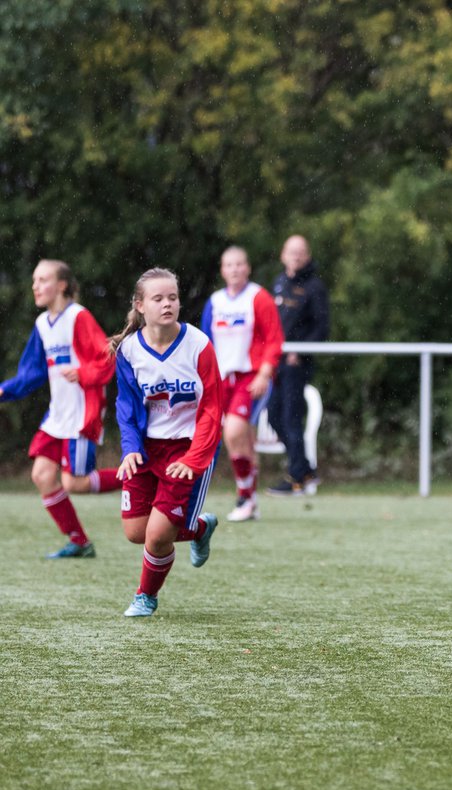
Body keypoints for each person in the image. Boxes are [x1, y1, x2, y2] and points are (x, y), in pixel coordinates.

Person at [110, 268, 224, 617]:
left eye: (172, 297)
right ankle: (200, 527)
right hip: (147, 449)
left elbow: (212, 409)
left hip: (186, 449)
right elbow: (126, 408)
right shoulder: (129, 350)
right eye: (158, 298)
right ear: (140, 305)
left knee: (158, 536)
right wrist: (130, 449)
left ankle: (145, 596)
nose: (167, 304)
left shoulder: (198, 345)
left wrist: (194, 459)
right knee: (136, 533)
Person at [0, 260, 122, 558]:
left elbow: (106, 361)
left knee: (75, 482)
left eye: (42, 280)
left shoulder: (78, 317)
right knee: (42, 475)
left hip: (81, 414)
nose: (35, 286)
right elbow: (33, 373)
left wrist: (83, 374)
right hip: (58, 415)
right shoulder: (43, 324)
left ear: (62, 285)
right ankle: (79, 541)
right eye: (34, 280)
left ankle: (138, 475)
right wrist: (4, 391)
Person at [202, 246, 284, 522]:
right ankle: (252, 502)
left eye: (239, 264)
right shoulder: (215, 302)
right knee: (244, 439)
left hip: (251, 377)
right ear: (222, 270)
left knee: (234, 432)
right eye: (229, 265)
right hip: (222, 379)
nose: (235, 269)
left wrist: (264, 373)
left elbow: (274, 338)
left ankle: (244, 497)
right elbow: (205, 343)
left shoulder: (258, 298)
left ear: (247, 268)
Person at [266, 234, 329, 497]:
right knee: (273, 415)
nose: (296, 256)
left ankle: (296, 477)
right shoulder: (279, 283)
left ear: (308, 255)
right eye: (291, 251)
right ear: (283, 254)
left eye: (301, 251)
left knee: (291, 418)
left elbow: (322, 328)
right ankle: (304, 469)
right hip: (275, 361)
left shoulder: (315, 287)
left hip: (296, 364)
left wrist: (299, 352)